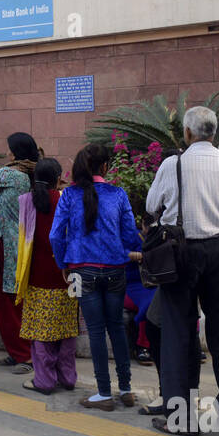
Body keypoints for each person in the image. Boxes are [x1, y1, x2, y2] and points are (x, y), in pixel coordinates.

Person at [144, 106, 219, 436]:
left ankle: (182, 418)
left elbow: (151, 206)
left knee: (179, 331)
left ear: (187, 134)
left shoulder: (173, 164)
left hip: (181, 252)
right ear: (214, 133)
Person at [51, 144, 143, 411]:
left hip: (81, 270)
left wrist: (63, 263)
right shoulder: (118, 194)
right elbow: (129, 234)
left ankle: (103, 393)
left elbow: (56, 235)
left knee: (95, 331)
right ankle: (125, 389)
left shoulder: (68, 195)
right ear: (105, 167)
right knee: (116, 327)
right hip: (116, 269)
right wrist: (126, 252)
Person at [16, 158, 80, 395]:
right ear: (58, 178)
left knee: (41, 331)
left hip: (36, 276)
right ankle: (68, 377)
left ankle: (44, 380)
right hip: (68, 276)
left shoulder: (25, 202)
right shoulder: (67, 200)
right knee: (67, 329)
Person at [0, 132, 40, 373]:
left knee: (9, 301)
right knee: (11, 300)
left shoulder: (15, 175)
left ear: (16, 152)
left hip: (9, 246)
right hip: (15, 244)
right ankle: (17, 352)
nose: (7, 153)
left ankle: (24, 354)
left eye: (9, 149)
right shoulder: (30, 173)